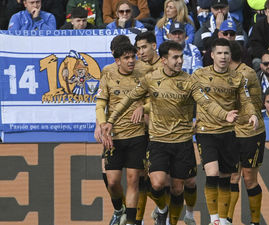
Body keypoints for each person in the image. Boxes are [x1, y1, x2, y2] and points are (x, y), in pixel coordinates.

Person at [102, 40, 239, 225]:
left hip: (182, 141)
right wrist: (110, 121)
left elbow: (206, 102)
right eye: (175, 57)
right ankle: (161, 208)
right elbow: (127, 99)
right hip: (159, 141)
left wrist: (224, 114)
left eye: (181, 57)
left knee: (178, 188)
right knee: (157, 184)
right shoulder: (151, 79)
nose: (180, 61)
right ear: (164, 60)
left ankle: (173, 220)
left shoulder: (189, 81)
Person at [192, 38, 258, 225]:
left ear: (231, 56)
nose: (223, 56)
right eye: (219, 53)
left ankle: (223, 219)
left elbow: (245, 100)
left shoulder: (238, 78)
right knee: (212, 173)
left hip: (229, 132)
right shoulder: (199, 75)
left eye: (226, 53)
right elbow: (202, 100)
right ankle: (214, 220)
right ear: (211, 55)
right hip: (206, 131)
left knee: (226, 178)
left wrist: (252, 114)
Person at [96, 43, 148, 225]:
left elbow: (151, 101)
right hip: (114, 136)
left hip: (137, 134)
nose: (131, 61)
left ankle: (132, 222)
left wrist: (143, 107)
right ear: (117, 61)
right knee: (112, 182)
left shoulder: (143, 76)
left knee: (133, 180)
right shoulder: (108, 75)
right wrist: (102, 125)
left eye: (133, 57)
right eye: (126, 58)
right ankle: (120, 209)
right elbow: (100, 104)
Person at [226, 40, 266, 225]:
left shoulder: (246, 73)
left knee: (249, 178)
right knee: (232, 176)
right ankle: (227, 220)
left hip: (251, 132)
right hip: (233, 132)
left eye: (222, 53)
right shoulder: (228, 73)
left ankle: (255, 221)